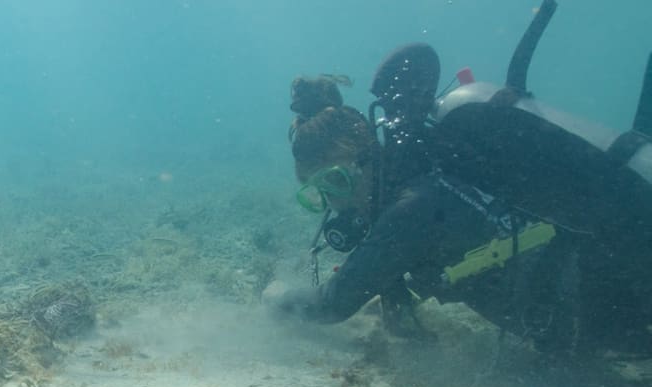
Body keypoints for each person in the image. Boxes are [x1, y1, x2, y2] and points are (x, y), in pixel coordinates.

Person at [265, 7, 652, 358]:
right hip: (603, 293)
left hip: (609, 302)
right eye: (320, 193)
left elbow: (330, 305)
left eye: (338, 182)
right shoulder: (428, 184)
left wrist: (273, 297)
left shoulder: (411, 208)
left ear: (367, 157)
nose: (336, 203)